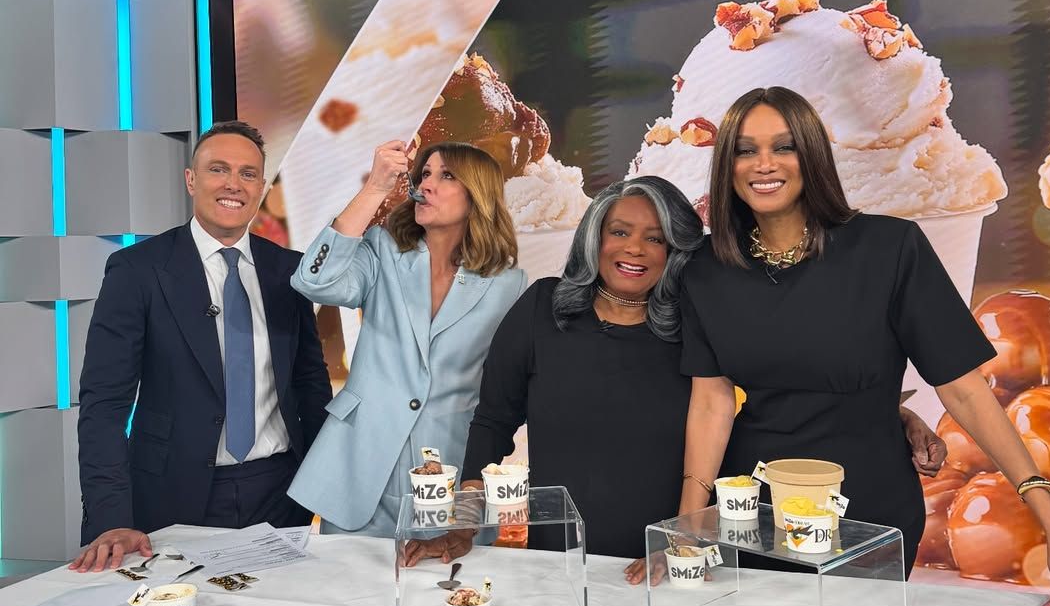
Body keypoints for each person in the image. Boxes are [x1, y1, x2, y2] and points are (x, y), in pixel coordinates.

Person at [677, 85, 1050, 606]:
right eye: (745, 150)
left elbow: (964, 391)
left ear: (812, 154)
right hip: (755, 515)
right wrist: (686, 529)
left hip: (871, 508)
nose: (764, 164)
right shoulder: (704, 270)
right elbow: (711, 404)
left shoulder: (890, 248)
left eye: (784, 146)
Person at [457, 176, 944, 566]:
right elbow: (494, 420)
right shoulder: (542, 308)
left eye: (656, 238)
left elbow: (783, 393)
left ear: (678, 251)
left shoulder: (701, 325)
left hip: (678, 558)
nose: (634, 249)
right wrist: (463, 517)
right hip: (559, 559)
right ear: (594, 236)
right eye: (619, 232)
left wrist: (893, 415)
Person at [71, 120, 331, 573]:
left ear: (261, 188)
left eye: (248, 174)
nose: (233, 184)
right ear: (191, 180)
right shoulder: (138, 270)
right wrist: (111, 518)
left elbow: (310, 384)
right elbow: (104, 403)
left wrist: (323, 486)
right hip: (172, 496)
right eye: (218, 169)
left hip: (280, 495)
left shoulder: (289, 271)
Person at [287, 139, 527, 551]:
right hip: (358, 469)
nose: (426, 184)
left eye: (446, 175)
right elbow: (313, 281)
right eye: (424, 174)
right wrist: (375, 188)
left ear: (478, 194)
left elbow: (504, 389)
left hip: (447, 472)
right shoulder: (382, 249)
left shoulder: (510, 282)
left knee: (445, 588)